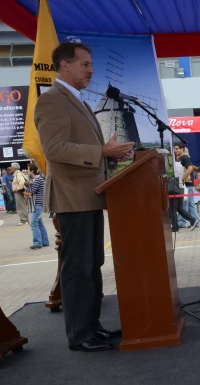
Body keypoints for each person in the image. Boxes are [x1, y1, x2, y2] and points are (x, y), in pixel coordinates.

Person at [35, 41, 135, 352]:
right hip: (72, 197)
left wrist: (109, 157)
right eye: (85, 64)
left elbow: (81, 150)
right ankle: (79, 335)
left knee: (92, 264)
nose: (91, 70)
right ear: (64, 65)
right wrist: (100, 151)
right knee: (78, 268)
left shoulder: (78, 101)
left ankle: (92, 327)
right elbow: (54, 149)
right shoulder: (52, 101)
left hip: (89, 195)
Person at [170, 149, 199, 232]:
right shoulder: (179, 164)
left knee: (173, 209)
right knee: (180, 208)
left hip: (174, 188)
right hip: (181, 187)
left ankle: (175, 227)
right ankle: (193, 220)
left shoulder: (174, 165)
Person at [25, 164, 49, 250]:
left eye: (28, 170)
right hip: (39, 203)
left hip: (38, 203)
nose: (28, 171)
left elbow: (32, 191)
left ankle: (38, 242)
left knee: (33, 223)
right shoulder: (38, 179)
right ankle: (45, 241)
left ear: (32, 171)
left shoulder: (37, 179)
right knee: (39, 222)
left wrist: (27, 187)